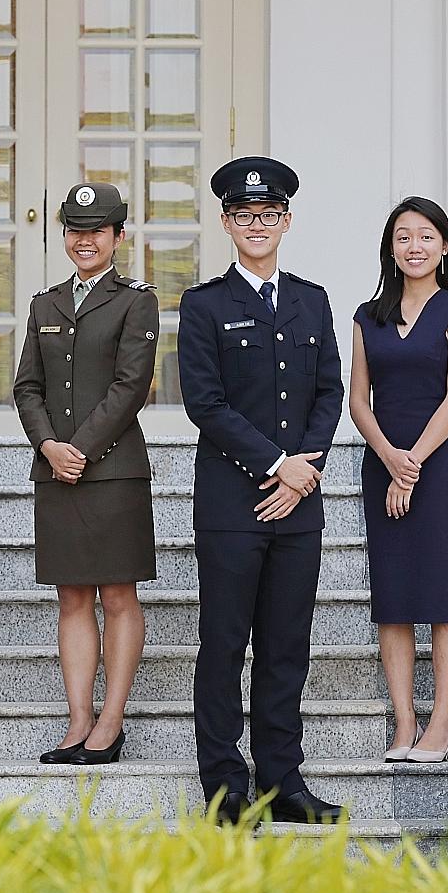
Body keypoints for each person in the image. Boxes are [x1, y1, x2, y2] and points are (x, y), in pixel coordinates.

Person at [178, 156, 345, 824]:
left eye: (268, 215)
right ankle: (225, 787)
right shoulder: (203, 305)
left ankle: (283, 783)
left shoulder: (313, 299)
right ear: (226, 222)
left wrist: (307, 468)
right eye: (244, 215)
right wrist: (280, 463)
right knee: (224, 646)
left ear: (286, 221)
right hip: (232, 505)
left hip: (299, 508)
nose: (257, 225)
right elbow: (206, 403)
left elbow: (330, 390)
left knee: (285, 648)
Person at [13, 182, 159, 766]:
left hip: (115, 472)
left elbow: (131, 387)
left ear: (118, 236)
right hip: (56, 472)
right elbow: (27, 385)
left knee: (118, 595)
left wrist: (80, 448)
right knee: (72, 596)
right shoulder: (44, 304)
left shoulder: (136, 301)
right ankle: (77, 720)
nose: (85, 240)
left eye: (97, 230)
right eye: (75, 230)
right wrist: (49, 445)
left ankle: (110, 721)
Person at [349, 196, 448, 764]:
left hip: (439, 463)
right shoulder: (366, 316)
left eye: (426, 236)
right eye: (404, 237)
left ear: (443, 246)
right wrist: (390, 460)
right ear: (390, 248)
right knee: (393, 598)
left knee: (443, 595)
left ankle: (442, 723)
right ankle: (403, 723)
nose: (415, 247)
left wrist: (413, 463)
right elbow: (358, 402)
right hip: (382, 462)